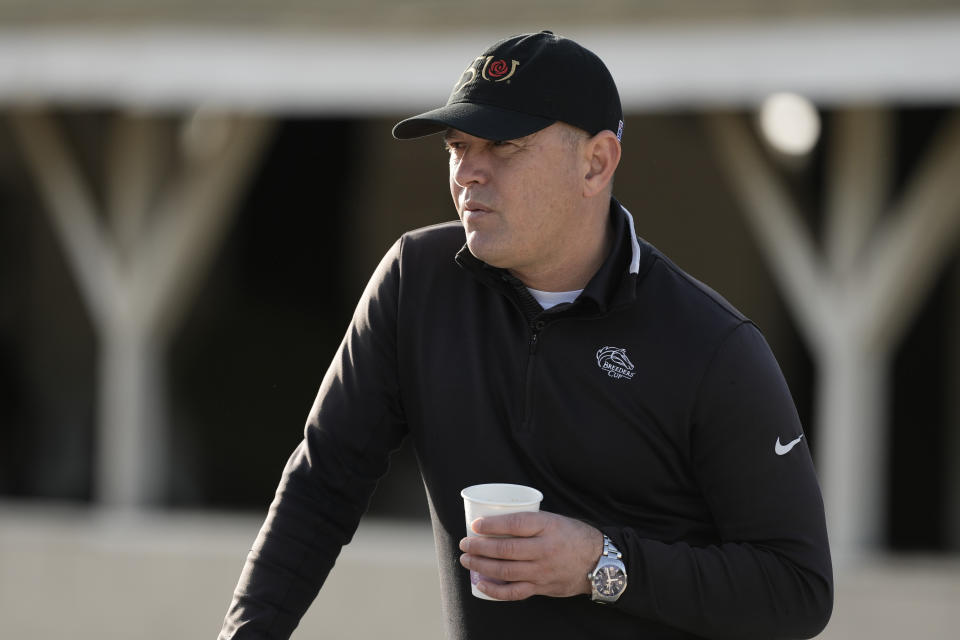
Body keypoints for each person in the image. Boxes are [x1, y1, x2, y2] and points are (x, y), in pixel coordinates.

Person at [218, 31, 833, 639]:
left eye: (503, 146)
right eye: (459, 146)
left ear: (596, 163)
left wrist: (601, 564)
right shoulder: (415, 282)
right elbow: (321, 486)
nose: (468, 174)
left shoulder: (712, 344)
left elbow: (798, 590)